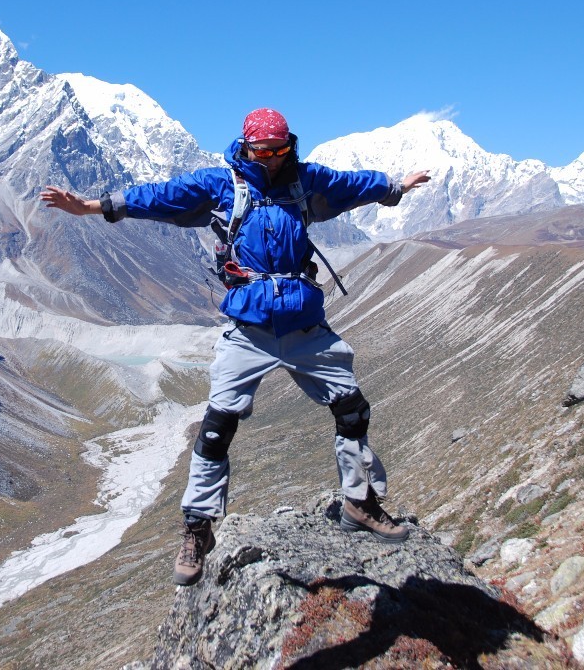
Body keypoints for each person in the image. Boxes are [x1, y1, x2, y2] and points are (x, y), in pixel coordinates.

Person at [40, 108, 431, 586]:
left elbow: (353, 184)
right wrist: (92, 207)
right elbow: (158, 197)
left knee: (352, 409)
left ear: (289, 145)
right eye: (261, 152)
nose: (270, 160)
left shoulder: (305, 182)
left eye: (279, 150)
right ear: (246, 148)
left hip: (305, 324)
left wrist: (395, 188)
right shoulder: (220, 184)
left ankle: (359, 501)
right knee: (217, 425)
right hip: (248, 327)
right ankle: (198, 527)